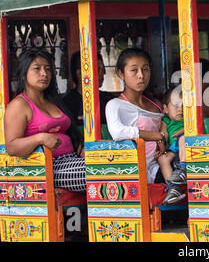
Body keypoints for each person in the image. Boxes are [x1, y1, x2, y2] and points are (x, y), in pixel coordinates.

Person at [105, 48, 186, 205]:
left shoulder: (155, 104)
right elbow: (118, 132)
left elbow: (167, 124)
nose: (141, 75)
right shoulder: (115, 105)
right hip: (147, 169)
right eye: (134, 70)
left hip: (170, 157)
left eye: (145, 69)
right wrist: (158, 137)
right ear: (121, 74)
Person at [4, 48, 85, 192]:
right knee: (96, 173)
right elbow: (11, 147)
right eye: (37, 69)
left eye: (47, 69)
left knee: (114, 166)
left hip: (73, 160)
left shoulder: (54, 100)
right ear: (23, 74)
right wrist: (40, 138)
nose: (44, 73)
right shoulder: (19, 105)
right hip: (49, 168)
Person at [63, 51, 115, 126]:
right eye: (97, 69)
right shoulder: (66, 103)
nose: (102, 73)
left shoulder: (109, 100)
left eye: (102, 69)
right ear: (80, 73)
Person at [161, 86, 187, 186]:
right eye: (176, 105)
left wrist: (186, 130)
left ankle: (183, 169)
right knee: (162, 159)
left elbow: (196, 128)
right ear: (166, 109)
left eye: (184, 105)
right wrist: (164, 142)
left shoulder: (190, 120)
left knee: (182, 139)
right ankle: (172, 187)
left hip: (185, 150)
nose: (180, 109)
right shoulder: (166, 121)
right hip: (173, 151)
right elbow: (163, 133)